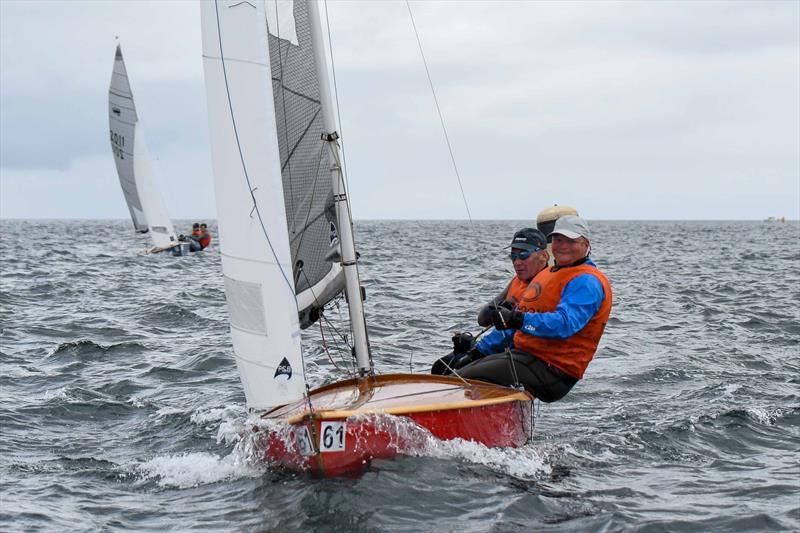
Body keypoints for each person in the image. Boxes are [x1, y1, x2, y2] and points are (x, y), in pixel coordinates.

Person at [455, 215, 612, 402]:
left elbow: (564, 324)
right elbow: (514, 327)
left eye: (570, 241)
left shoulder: (587, 281)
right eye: (558, 240)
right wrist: (476, 352)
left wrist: (517, 319)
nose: (562, 246)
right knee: (453, 370)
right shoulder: (548, 274)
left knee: (461, 379)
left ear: (585, 244)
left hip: (554, 370)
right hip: (527, 357)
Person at [431, 228, 549, 375]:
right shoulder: (518, 281)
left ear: (544, 255)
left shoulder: (545, 285)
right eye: (513, 256)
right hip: (497, 347)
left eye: (524, 255)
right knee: (441, 366)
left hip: (525, 355)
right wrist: (470, 344)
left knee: (459, 372)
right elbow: (483, 319)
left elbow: (515, 333)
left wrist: (474, 353)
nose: (517, 262)